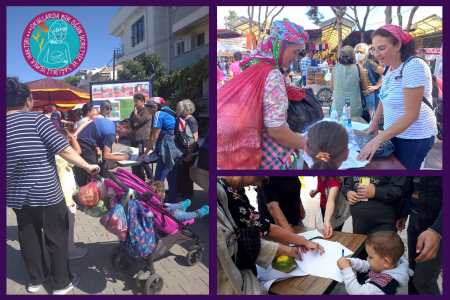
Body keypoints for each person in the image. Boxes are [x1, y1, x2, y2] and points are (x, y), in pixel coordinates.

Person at [6, 77, 99, 294]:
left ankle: (36, 279)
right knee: (56, 237)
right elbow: (64, 150)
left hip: (17, 196)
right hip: (47, 193)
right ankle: (61, 283)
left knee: (28, 236)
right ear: (28, 101)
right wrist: (87, 166)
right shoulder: (38, 121)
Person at [217, 19, 309, 170]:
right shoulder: (272, 73)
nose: (295, 58)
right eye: (295, 52)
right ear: (281, 46)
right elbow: (276, 130)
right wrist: (306, 145)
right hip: (271, 159)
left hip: (249, 151)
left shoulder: (255, 65)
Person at [217, 176, 325, 295]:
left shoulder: (237, 190)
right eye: (261, 167)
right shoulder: (225, 192)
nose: (265, 175)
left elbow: (248, 230)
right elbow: (263, 228)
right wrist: (302, 241)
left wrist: (294, 243)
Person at [357, 25, 437, 169]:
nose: (376, 54)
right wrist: (375, 121)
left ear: (398, 45)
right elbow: (384, 95)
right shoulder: (389, 67)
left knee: (403, 181)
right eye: (374, 49)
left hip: (414, 138)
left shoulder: (413, 65)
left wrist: (378, 140)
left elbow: (411, 115)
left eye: (381, 48)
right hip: (392, 133)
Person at [136, 97, 188, 203]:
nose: (149, 112)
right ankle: (172, 202)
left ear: (156, 106)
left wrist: (145, 153)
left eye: (149, 109)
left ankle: (160, 205)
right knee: (172, 177)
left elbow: (154, 136)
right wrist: (155, 152)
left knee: (158, 181)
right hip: (177, 151)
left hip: (168, 152)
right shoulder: (171, 112)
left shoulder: (159, 114)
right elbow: (165, 133)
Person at [396, 177, 442, 295]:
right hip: (416, 217)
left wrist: (437, 229)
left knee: (424, 282)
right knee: (412, 272)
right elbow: (411, 183)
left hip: (437, 222)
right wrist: (404, 212)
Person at [337, 231, 412, 295]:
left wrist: (346, 269)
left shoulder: (383, 284)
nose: (367, 259)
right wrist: (350, 261)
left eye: (370, 257)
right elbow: (365, 265)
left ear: (386, 261)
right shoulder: (384, 266)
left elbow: (357, 292)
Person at [55, 128, 88, 260]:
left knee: (61, 225)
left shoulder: (51, 154)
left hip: (57, 196)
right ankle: (70, 250)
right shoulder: (62, 156)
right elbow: (78, 152)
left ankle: (62, 248)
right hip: (68, 196)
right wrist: (72, 137)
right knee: (69, 224)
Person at [74, 118, 133, 186]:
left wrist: (76, 134)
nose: (126, 135)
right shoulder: (111, 134)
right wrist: (123, 157)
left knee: (81, 175)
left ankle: (81, 192)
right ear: (123, 127)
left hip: (78, 142)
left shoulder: (107, 121)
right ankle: (95, 194)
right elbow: (106, 156)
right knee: (94, 174)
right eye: (127, 132)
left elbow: (87, 122)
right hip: (86, 147)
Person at [331, 45, 368, 118]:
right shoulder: (358, 67)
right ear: (353, 57)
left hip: (338, 108)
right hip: (354, 108)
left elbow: (332, 87)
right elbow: (364, 87)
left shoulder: (335, 67)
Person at [175, 99, 200, 199]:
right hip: (184, 151)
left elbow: (195, 138)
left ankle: (187, 195)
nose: (176, 110)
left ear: (184, 109)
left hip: (190, 152)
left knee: (186, 174)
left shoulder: (191, 121)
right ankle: (181, 191)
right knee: (180, 172)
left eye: (178, 109)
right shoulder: (183, 119)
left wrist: (189, 153)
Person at [355, 43, 384, 117]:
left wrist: (377, 86)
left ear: (365, 54)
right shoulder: (353, 64)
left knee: (368, 119)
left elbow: (384, 73)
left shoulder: (369, 63)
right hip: (356, 96)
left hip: (368, 96)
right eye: (357, 51)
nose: (358, 54)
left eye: (361, 52)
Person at [129, 93, 152, 181]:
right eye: (134, 102)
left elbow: (141, 120)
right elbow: (131, 122)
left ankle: (151, 178)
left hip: (142, 140)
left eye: (137, 102)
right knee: (135, 160)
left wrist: (136, 115)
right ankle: (140, 178)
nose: (135, 104)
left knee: (143, 159)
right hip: (134, 139)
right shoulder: (134, 111)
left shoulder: (146, 111)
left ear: (143, 102)